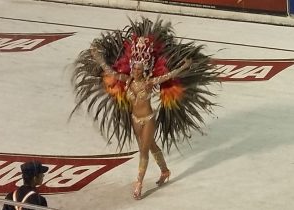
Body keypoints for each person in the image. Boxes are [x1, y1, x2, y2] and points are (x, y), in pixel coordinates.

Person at [71, 17, 218, 200]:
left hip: (148, 118)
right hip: (135, 118)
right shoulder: (127, 80)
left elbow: (168, 76)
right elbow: (109, 71)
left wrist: (184, 66)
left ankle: (139, 182)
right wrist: (97, 57)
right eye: (134, 68)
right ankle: (164, 170)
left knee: (143, 151)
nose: (135, 71)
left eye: (139, 69)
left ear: (145, 69)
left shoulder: (149, 83)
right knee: (150, 145)